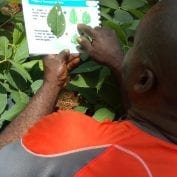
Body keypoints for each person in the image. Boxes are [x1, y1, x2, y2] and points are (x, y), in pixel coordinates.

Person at [0, 0, 177, 176]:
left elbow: (5, 161)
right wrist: (117, 64)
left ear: (144, 80)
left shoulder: (73, 143)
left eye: (133, 45)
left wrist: (52, 83)